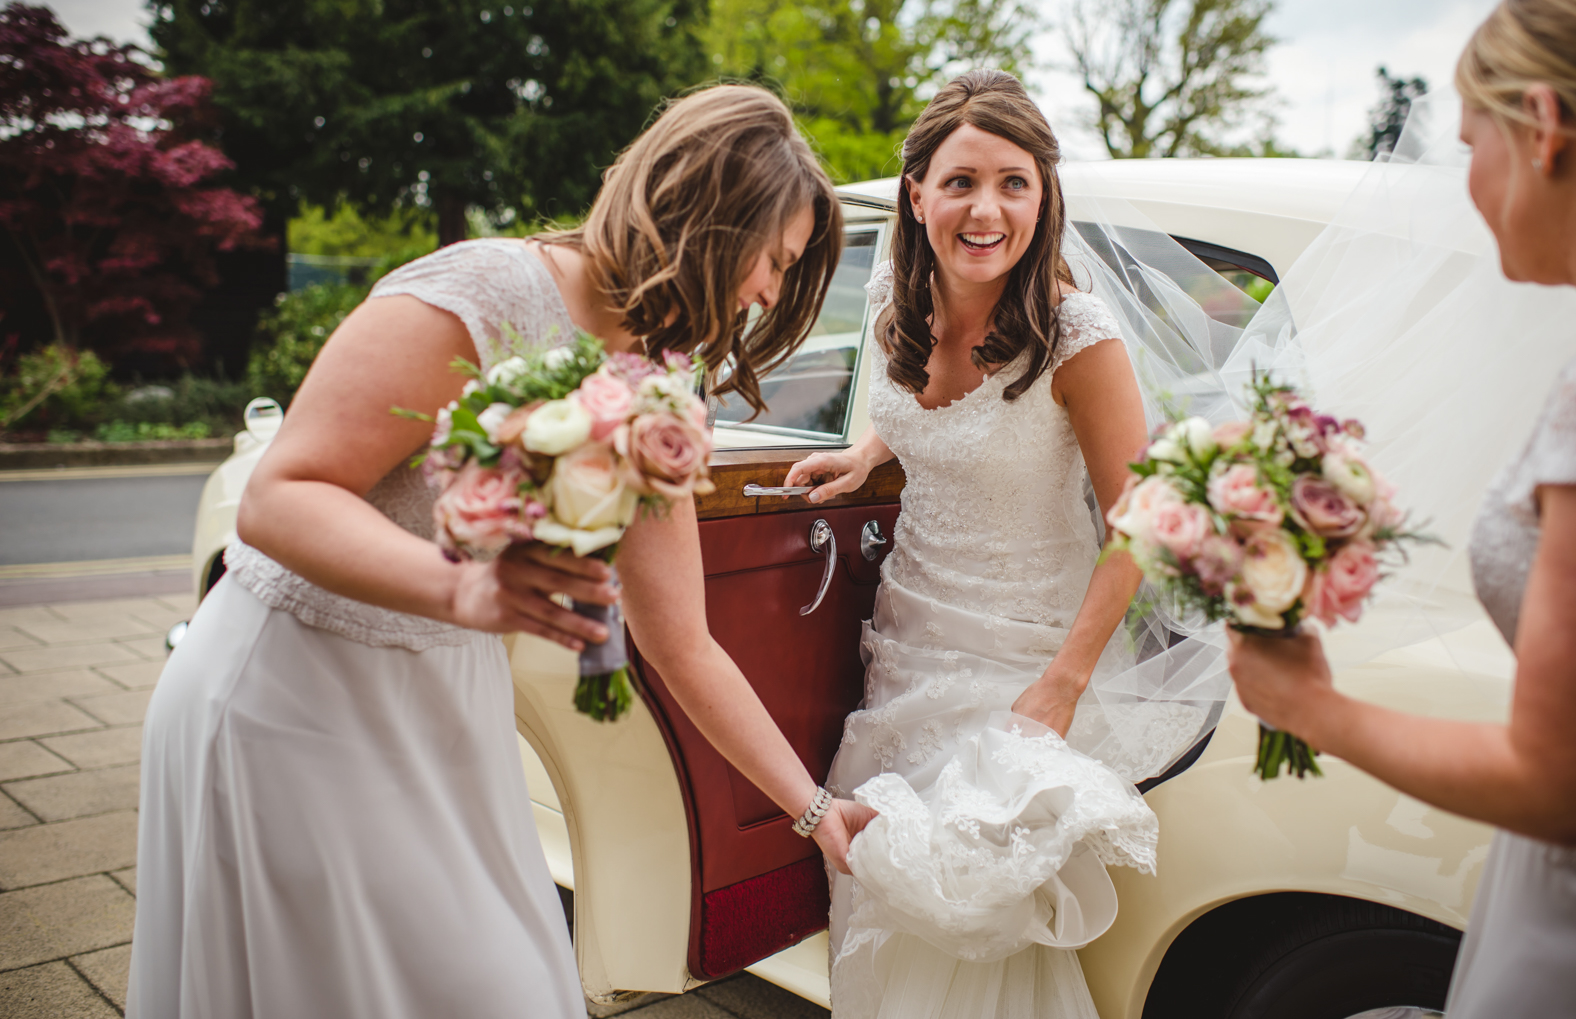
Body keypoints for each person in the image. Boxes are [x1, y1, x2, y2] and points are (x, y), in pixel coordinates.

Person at [128, 83, 875, 1019]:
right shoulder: (485, 291)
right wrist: (469, 592)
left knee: (503, 983)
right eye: (775, 259)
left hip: (443, 706)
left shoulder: (658, 380)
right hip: (292, 699)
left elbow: (682, 640)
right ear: (716, 216)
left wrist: (814, 814)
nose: (769, 293)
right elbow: (280, 497)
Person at [1224, 0, 1576, 1017]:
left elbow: (1564, 785)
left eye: (1469, 142)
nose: (1464, 181)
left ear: (1542, 128)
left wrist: (1308, 705)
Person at [784, 70, 1181, 1019]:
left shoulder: (1074, 334)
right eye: (960, 181)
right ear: (915, 194)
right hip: (908, 630)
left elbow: (1142, 515)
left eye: (1014, 182)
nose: (986, 208)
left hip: (1023, 657)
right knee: (876, 876)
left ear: (1044, 199)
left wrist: (1063, 683)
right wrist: (866, 448)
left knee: (967, 904)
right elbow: (938, 409)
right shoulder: (893, 292)